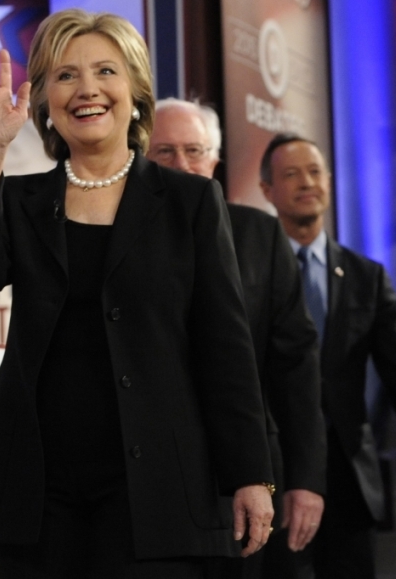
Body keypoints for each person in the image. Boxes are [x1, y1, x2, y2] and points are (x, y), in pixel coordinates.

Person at [0, 10, 275, 578]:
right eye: (65, 76)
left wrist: (250, 473)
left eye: (105, 71)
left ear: (135, 92)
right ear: (44, 99)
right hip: (38, 488)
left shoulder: (190, 202)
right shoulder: (20, 201)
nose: (87, 89)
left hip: (157, 484)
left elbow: (225, 346)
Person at [259, 132, 396, 579]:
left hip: (350, 477)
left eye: (315, 172)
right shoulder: (252, 272)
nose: (307, 182)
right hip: (277, 471)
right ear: (267, 191)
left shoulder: (367, 276)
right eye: (291, 174)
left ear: (329, 182)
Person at [148, 99, 326, 579]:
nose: (182, 165)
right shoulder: (118, 237)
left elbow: (296, 367)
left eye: (194, 151)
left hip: (244, 474)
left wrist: (306, 480)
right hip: (148, 473)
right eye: (164, 153)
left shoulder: (260, 236)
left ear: (215, 160)